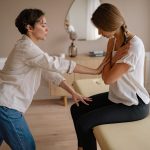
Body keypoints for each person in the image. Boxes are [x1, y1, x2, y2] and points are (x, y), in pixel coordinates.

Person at [0, 8, 108, 150]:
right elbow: (55, 63)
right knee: (27, 147)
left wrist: (72, 92)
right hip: (7, 107)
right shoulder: (26, 48)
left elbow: (50, 72)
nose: (47, 28)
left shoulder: (29, 48)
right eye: (43, 25)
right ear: (29, 27)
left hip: (5, 105)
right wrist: (95, 71)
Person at [70, 3, 150, 150]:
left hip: (134, 104)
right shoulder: (112, 41)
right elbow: (105, 71)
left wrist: (109, 61)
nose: (99, 32)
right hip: (118, 96)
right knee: (76, 108)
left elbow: (107, 79)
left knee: (85, 122)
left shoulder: (134, 46)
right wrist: (112, 59)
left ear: (111, 24)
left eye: (101, 28)